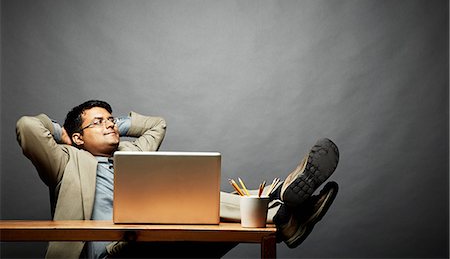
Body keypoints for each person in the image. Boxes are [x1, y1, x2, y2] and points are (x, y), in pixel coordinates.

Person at [16, 100, 339, 258]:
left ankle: (284, 217)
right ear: (77, 137)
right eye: (99, 122)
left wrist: (118, 124)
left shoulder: (133, 151)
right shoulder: (65, 161)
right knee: (213, 212)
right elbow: (28, 127)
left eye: (111, 119)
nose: (110, 125)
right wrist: (64, 135)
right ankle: (280, 205)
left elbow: (157, 124)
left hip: (152, 241)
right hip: (113, 254)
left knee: (190, 207)